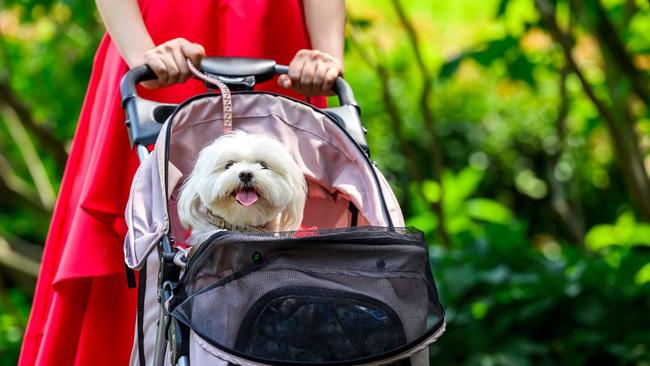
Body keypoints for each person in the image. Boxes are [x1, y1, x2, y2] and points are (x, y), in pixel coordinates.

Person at [19, 1, 344, 365]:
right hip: (158, 42)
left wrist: (327, 54)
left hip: (277, 37)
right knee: (146, 232)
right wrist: (141, 52)